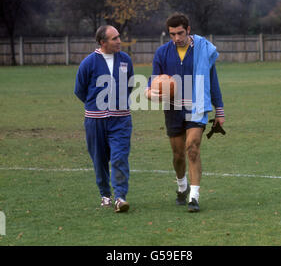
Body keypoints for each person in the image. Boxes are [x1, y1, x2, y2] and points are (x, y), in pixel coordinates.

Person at [145, 13, 225, 212]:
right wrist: (149, 92)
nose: (176, 38)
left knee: (193, 148)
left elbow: (212, 81)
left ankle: (194, 197)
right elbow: (154, 80)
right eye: (172, 34)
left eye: (180, 33)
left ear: (188, 30)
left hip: (196, 107)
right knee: (178, 154)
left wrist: (220, 110)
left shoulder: (203, 50)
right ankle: (182, 186)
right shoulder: (162, 53)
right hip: (173, 109)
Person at [74, 25, 134, 213]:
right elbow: (80, 90)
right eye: (114, 38)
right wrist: (96, 106)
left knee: (119, 157)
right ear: (103, 42)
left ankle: (120, 197)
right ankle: (105, 195)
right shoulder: (88, 63)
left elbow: (130, 85)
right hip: (95, 121)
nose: (119, 41)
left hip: (121, 120)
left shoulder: (125, 60)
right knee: (99, 159)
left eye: (118, 37)